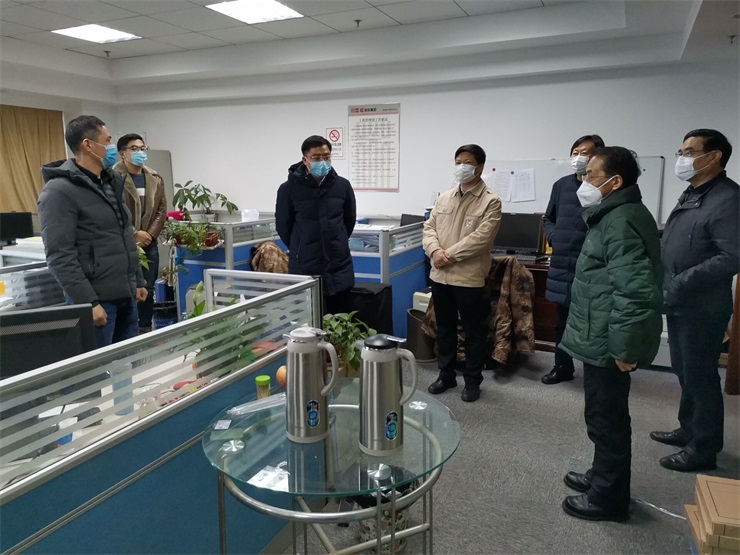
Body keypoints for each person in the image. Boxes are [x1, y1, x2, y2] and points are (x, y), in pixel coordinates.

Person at [559, 146, 663, 522]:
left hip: (609, 338)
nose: (584, 181)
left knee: (608, 418)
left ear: (614, 182)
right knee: (601, 414)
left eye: (591, 175)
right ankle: (602, 475)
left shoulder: (620, 221)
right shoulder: (613, 214)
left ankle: (608, 498)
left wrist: (624, 348)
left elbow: (635, 291)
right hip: (600, 331)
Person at [652, 129, 739, 472]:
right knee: (684, 370)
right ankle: (688, 429)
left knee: (700, 376)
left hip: (702, 305)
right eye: (681, 151)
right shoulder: (694, 192)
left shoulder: (729, 199)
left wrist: (681, 281)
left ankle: (703, 448)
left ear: (714, 157)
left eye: (689, 152)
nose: (682, 158)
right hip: (679, 300)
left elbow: (731, 257)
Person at [39, 115, 147, 348]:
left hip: (125, 296)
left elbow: (124, 235)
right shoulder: (59, 191)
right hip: (96, 302)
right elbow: (59, 255)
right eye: (107, 141)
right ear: (88, 145)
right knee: (95, 368)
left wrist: (137, 280)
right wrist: (88, 302)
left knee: (127, 363)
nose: (112, 147)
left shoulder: (111, 183)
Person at [423, 144, 502, 402]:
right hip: (440, 276)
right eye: (458, 162)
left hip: (468, 278)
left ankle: (472, 381)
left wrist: (447, 255)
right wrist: (435, 251)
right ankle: (446, 375)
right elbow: (429, 228)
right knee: (444, 329)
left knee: (473, 331)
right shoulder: (444, 197)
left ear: (479, 167)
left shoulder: (491, 201)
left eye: (467, 162)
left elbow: (481, 238)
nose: (461, 167)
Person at [541, 134, 605, 385]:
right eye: (575, 152)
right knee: (562, 322)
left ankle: (596, 373)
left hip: (593, 267)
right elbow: (548, 218)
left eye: (585, 153)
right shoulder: (561, 185)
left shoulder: (606, 185)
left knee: (593, 323)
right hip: (562, 265)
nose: (579, 157)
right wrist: (554, 236)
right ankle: (562, 367)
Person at [276, 135, 356, 315]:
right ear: (305, 160)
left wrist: (338, 242)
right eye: (317, 158)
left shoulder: (342, 186)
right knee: (308, 321)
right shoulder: (288, 189)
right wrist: (301, 247)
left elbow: (349, 220)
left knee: (341, 321)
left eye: (326, 157)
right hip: (305, 266)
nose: (323, 162)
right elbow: (283, 225)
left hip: (338, 265)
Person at [113, 134, 167, 333]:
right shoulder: (112, 178)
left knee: (147, 288)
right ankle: (127, 332)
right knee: (126, 289)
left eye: (142, 148)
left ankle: (145, 328)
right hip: (123, 243)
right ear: (123, 153)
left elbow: (162, 210)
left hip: (149, 244)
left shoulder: (155, 177)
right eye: (134, 149)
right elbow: (113, 211)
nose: (140, 152)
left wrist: (149, 235)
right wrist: (135, 234)